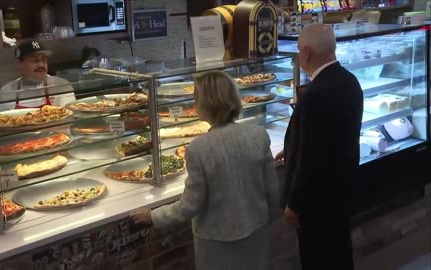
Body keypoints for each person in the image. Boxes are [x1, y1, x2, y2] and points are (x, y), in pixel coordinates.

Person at [130, 71, 280, 270]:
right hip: (256, 235)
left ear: (208, 102)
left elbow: (189, 205)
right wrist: (267, 220)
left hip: (218, 244)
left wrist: (154, 216)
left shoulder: (198, 148)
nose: (194, 102)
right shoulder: (258, 135)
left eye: (196, 97)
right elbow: (272, 190)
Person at [275, 23, 363, 270]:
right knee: (340, 255)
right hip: (341, 194)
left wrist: (294, 203)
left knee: (318, 259)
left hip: (318, 204)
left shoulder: (315, 94)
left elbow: (312, 159)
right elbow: (330, 137)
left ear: (306, 51)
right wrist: (292, 146)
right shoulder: (350, 81)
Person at [0, 40, 75, 111]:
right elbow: (0, 122)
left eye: (43, 60)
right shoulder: (7, 92)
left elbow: (69, 117)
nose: (41, 64)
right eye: (33, 60)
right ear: (19, 64)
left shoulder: (61, 86)